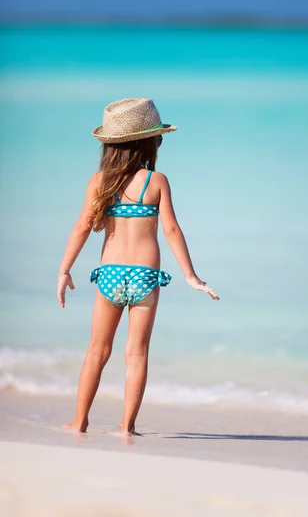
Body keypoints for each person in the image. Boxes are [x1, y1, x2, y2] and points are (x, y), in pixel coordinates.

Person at [57, 98, 219, 435]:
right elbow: (172, 229)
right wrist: (191, 276)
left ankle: (80, 421)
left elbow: (82, 227)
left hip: (110, 275)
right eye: (158, 139)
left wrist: (64, 270)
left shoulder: (100, 183)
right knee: (137, 354)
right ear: (148, 142)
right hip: (145, 277)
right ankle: (127, 426)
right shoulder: (156, 181)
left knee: (97, 351)